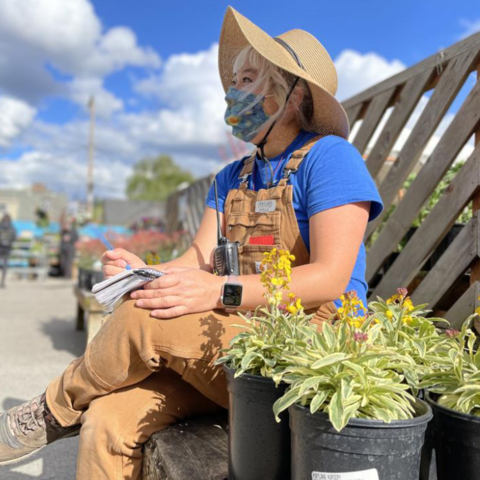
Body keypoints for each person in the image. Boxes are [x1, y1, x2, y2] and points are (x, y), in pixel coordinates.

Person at [0, 7, 383, 479]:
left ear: (290, 94)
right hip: (234, 348)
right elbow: (198, 261)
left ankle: (49, 412)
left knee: (144, 318)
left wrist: (219, 291)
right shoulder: (231, 177)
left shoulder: (331, 160)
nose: (232, 92)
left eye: (246, 79)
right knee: (105, 421)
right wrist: (146, 271)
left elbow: (330, 278)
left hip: (305, 357)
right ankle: (69, 411)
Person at [0, 214, 17, 288]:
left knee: (5, 266)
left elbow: (13, 237)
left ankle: (3, 282)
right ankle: (2, 282)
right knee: (5, 266)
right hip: (6, 248)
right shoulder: (12, 228)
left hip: (4, 247)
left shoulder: (2, 227)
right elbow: (14, 238)